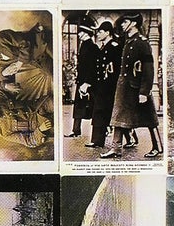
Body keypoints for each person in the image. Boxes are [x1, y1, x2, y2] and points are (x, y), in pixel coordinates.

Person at [106, 16, 162, 160]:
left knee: (150, 119)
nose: (122, 25)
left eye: (125, 22)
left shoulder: (142, 43)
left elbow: (148, 68)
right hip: (124, 87)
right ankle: (115, 148)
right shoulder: (127, 41)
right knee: (118, 117)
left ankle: (157, 147)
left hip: (137, 88)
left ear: (134, 23)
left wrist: (144, 91)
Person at [86, 20, 121, 151]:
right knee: (99, 112)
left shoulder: (114, 46)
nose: (98, 34)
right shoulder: (103, 47)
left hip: (110, 86)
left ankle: (129, 137)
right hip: (101, 86)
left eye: (100, 32)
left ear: (107, 32)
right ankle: (97, 140)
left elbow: (117, 68)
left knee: (110, 113)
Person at [68, 26, 102, 140]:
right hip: (82, 80)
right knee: (79, 106)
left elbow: (93, 67)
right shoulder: (84, 45)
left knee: (95, 107)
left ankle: (105, 129)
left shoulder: (92, 47)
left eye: (81, 32)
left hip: (89, 82)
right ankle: (75, 130)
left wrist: (87, 82)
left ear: (86, 33)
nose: (79, 35)